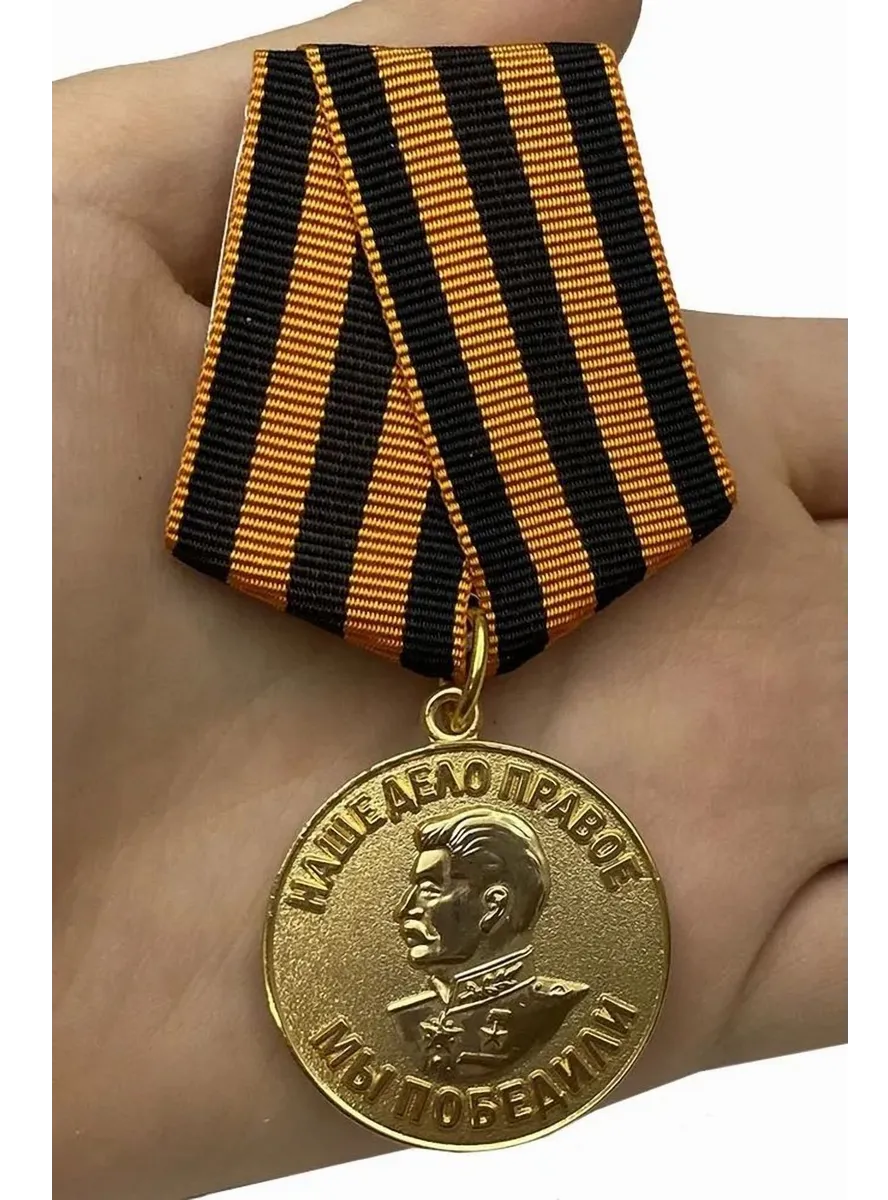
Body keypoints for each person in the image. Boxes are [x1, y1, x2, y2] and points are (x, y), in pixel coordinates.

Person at [50, 1, 847, 1198]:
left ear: (503, 900)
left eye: (435, 881)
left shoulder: (546, 999)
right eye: (422, 878)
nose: (415, 896)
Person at [390, 808, 588, 1077]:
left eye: (428, 889)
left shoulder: (552, 1008)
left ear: (494, 906)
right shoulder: (407, 1018)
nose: (403, 910)